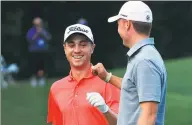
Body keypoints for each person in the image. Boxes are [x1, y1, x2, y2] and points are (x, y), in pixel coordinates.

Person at [92, 1, 167, 125]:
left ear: (127, 24)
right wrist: (107, 77)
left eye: (118, 23)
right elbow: (134, 86)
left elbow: (149, 114)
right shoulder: (143, 56)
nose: (117, 27)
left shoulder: (144, 61)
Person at [47, 24, 120, 125]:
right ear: (65, 48)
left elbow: (121, 122)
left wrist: (106, 110)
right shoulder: (56, 88)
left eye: (83, 45)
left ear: (92, 48)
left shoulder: (108, 83)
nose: (77, 50)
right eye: (71, 45)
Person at [26, 17, 51, 87]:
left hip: (43, 50)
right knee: (34, 65)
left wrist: (42, 33)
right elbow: (30, 40)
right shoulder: (31, 31)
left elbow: (48, 38)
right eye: (37, 24)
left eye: (39, 23)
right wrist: (37, 33)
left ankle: (41, 79)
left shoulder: (44, 30)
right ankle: (34, 79)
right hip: (34, 51)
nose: (38, 25)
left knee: (41, 66)